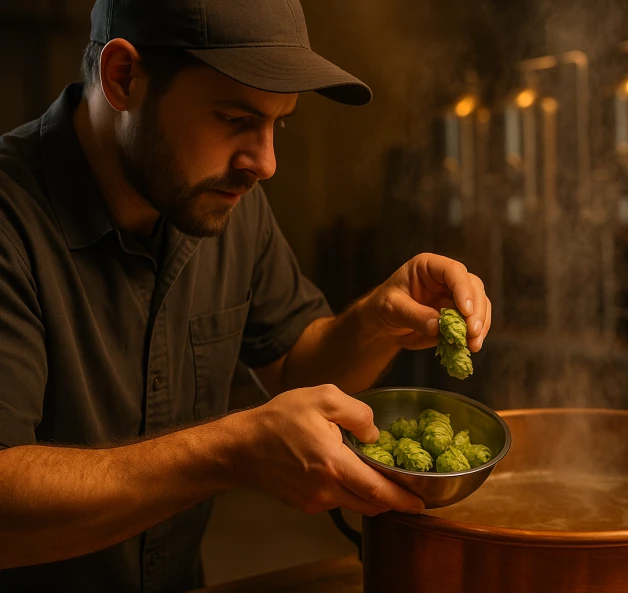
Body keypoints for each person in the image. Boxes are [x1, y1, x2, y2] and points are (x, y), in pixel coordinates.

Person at [0, 1, 491, 591]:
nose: (266, 163)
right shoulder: (12, 221)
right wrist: (234, 450)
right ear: (123, 78)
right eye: (234, 118)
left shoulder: (222, 198)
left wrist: (378, 320)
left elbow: (298, 364)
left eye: (278, 123)